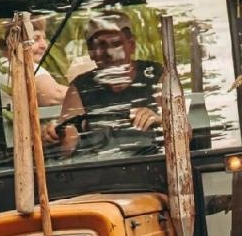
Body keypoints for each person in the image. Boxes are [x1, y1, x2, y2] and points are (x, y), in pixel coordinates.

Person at [53, 10, 162, 156]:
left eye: (116, 44)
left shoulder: (157, 75)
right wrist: (55, 135)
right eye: (101, 45)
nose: (109, 52)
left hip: (155, 165)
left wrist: (159, 121)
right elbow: (67, 147)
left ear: (131, 45)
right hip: (102, 170)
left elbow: (185, 132)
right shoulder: (80, 88)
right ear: (91, 52)